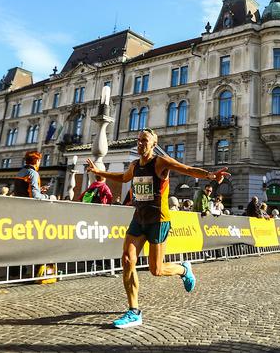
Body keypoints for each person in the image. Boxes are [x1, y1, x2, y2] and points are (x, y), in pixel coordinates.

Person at [86, 128, 229, 329]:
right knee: (127, 259)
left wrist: (211, 176)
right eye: (139, 140)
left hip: (158, 220)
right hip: (139, 218)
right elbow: (124, 177)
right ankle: (133, 311)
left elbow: (185, 169)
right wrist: (98, 172)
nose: (140, 144)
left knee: (157, 269)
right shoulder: (135, 165)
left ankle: (183, 269)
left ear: (153, 144)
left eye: (144, 141)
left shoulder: (160, 162)